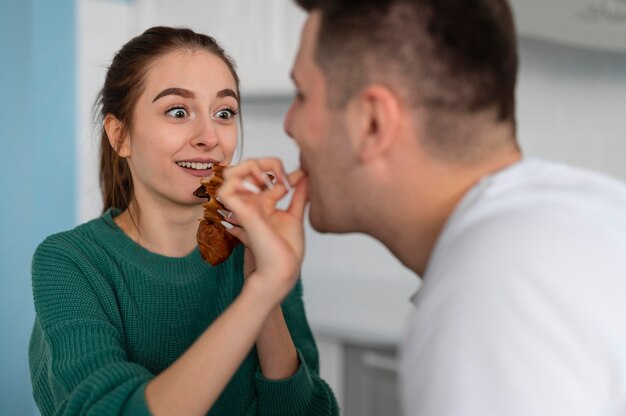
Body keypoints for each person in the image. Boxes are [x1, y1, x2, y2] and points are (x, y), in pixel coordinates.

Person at [216, 1, 626, 415]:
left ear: (373, 123)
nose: (289, 124)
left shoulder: (491, 293)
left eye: (302, 95)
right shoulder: (580, 216)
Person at [29, 26, 338, 416]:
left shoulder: (261, 251)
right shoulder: (70, 262)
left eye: (224, 113)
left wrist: (266, 284)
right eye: (178, 111)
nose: (210, 136)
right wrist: (259, 294)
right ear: (120, 135)